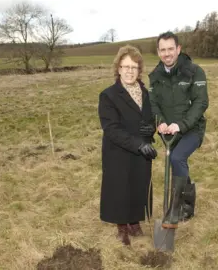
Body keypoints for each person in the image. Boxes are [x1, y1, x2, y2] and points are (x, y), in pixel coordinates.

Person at [98, 45, 158, 246]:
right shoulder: (108, 96)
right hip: (119, 151)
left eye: (134, 67)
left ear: (139, 70)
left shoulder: (145, 93)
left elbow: (151, 118)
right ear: (119, 69)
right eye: (125, 67)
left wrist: (150, 130)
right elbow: (112, 129)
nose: (130, 71)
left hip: (141, 150)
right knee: (120, 188)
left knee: (138, 185)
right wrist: (138, 144)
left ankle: (135, 223)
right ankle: (122, 227)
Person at [148, 31, 209, 229]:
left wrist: (181, 125)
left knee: (176, 159)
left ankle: (174, 208)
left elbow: (201, 102)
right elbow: (153, 103)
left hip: (192, 129)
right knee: (178, 165)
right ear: (158, 52)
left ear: (178, 49)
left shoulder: (194, 71)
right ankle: (187, 207)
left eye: (170, 49)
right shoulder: (155, 76)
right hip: (169, 131)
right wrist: (160, 122)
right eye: (163, 50)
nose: (167, 54)